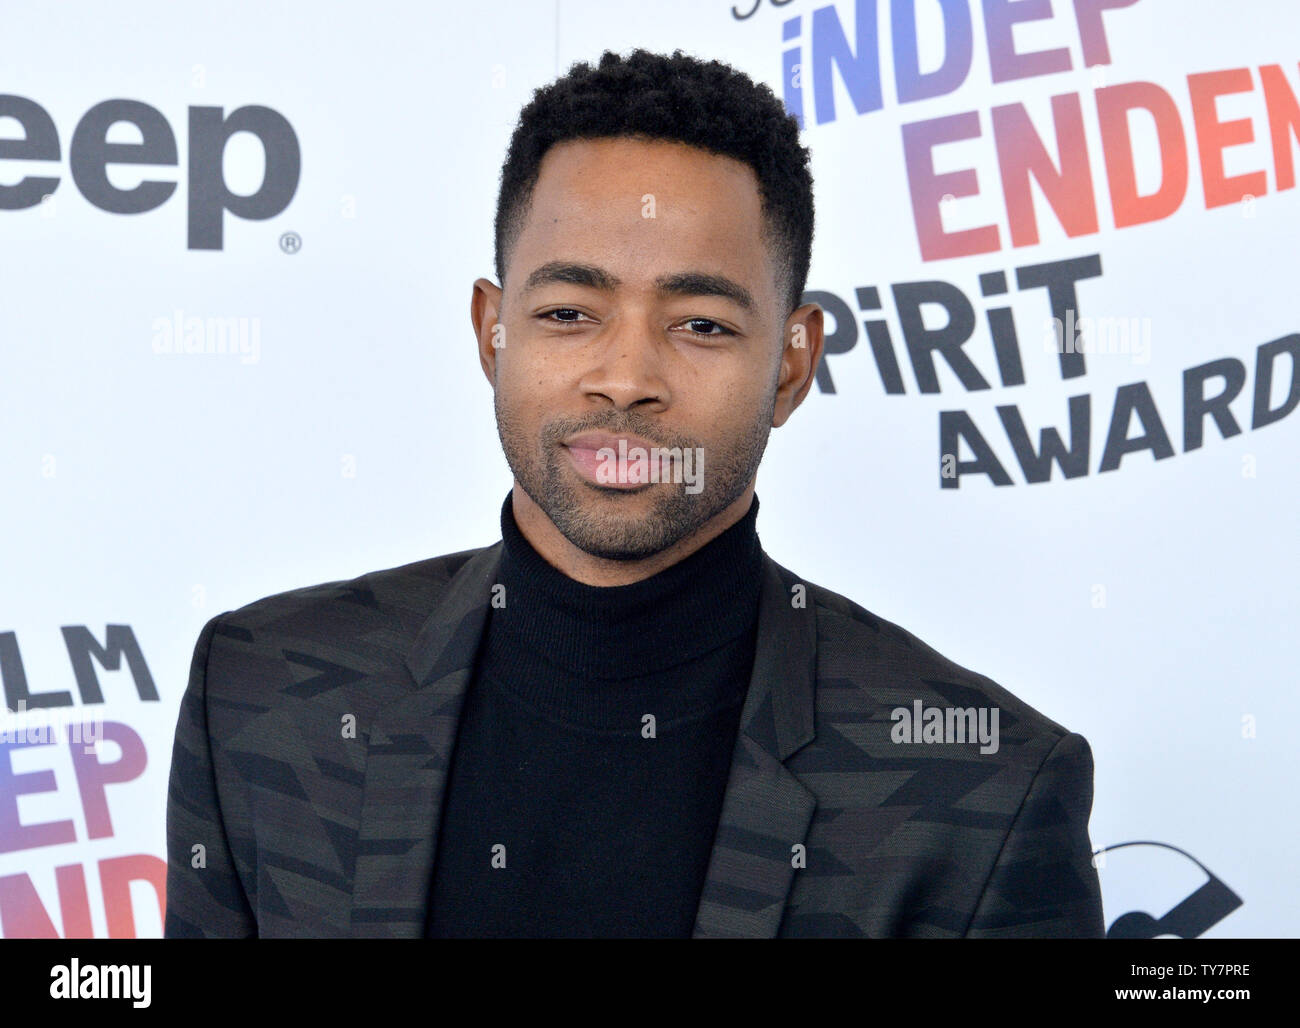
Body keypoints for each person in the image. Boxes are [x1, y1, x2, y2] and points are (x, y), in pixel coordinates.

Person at [164, 48, 1104, 938]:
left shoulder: (982, 792)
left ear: (791, 364)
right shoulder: (260, 694)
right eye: (569, 313)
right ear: (494, 331)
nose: (624, 377)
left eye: (700, 323)